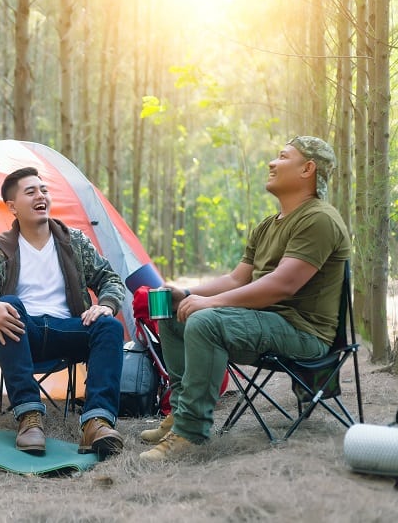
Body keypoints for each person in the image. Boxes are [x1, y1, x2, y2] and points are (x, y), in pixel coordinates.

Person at [139, 136, 351, 462]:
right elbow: (237, 279)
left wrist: (211, 304)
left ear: (307, 168)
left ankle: (191, 432)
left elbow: (283, 285)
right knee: (169, 308)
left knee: (204, 320)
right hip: (262, 322)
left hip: (303, 333)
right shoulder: (268, 226)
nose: (271, 163)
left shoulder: (318, 218)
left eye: (282, 157)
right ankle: (180, 413)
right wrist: (188, 293)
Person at [0, 167, 126, 457]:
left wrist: (105, 305)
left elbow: (111, 279)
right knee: (8, 304)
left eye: (44, 190)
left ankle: (96, 422)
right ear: (12, 207)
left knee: (110, 326)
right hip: (20, 331)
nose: (41, 195)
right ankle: (29, 418)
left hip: (66, 328)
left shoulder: (73, 241)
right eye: (31, 192)